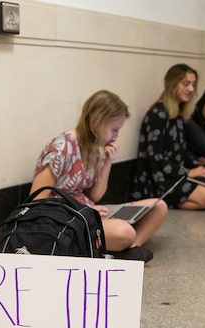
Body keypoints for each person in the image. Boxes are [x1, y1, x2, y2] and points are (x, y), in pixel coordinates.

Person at [30, 90, 167, 262]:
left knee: (159, 207)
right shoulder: (61, 147)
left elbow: (95, 195)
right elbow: (35, 202)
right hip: (64, 218)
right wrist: (84, 211)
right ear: (97, 122)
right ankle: (121, 249)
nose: (116, 136)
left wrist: (107, 161)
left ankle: (129, 249)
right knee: (124, 232)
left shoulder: (93, 146)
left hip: (87, 210)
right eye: (114, 129)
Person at [131, 63, 205, 210]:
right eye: (186, 84)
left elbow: (181, 154)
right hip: (158, 181)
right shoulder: (157, 114)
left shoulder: (177, 116)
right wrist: (189, 172)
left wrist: (201, 169)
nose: (191, 89)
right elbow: (155, 160)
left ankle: (168, 203)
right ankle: (161, 202)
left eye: (193, 84)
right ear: (172, 84)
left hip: (174, 175)